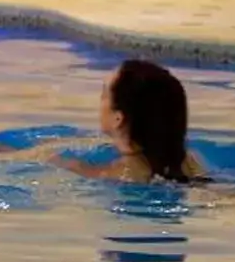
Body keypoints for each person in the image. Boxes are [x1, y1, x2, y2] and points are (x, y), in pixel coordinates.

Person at [78, 59, 207, 184]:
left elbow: (73, 169)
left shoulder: (118, 173)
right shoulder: (190, 162)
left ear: (118, 118)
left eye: (104, 95)